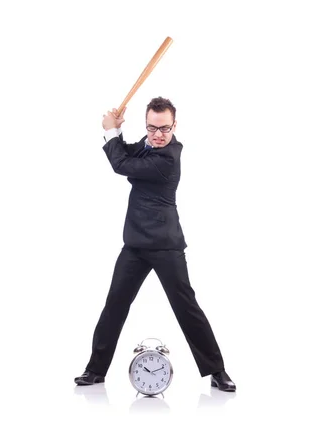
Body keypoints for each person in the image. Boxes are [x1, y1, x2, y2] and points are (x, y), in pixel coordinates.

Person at [74, 97, 235, 392]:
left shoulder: (169, 157)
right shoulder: (147, 144)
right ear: (146, 125)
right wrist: (118, 132)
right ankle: (95, 370)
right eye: (152, 128)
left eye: (164, 128)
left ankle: (217, 370)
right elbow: (127, 154)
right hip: (135, 245)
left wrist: (109, 131)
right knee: (115, 306)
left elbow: (121, 164)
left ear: (175, 125)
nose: (158, 135)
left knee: (186, 308)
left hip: (165, 246)